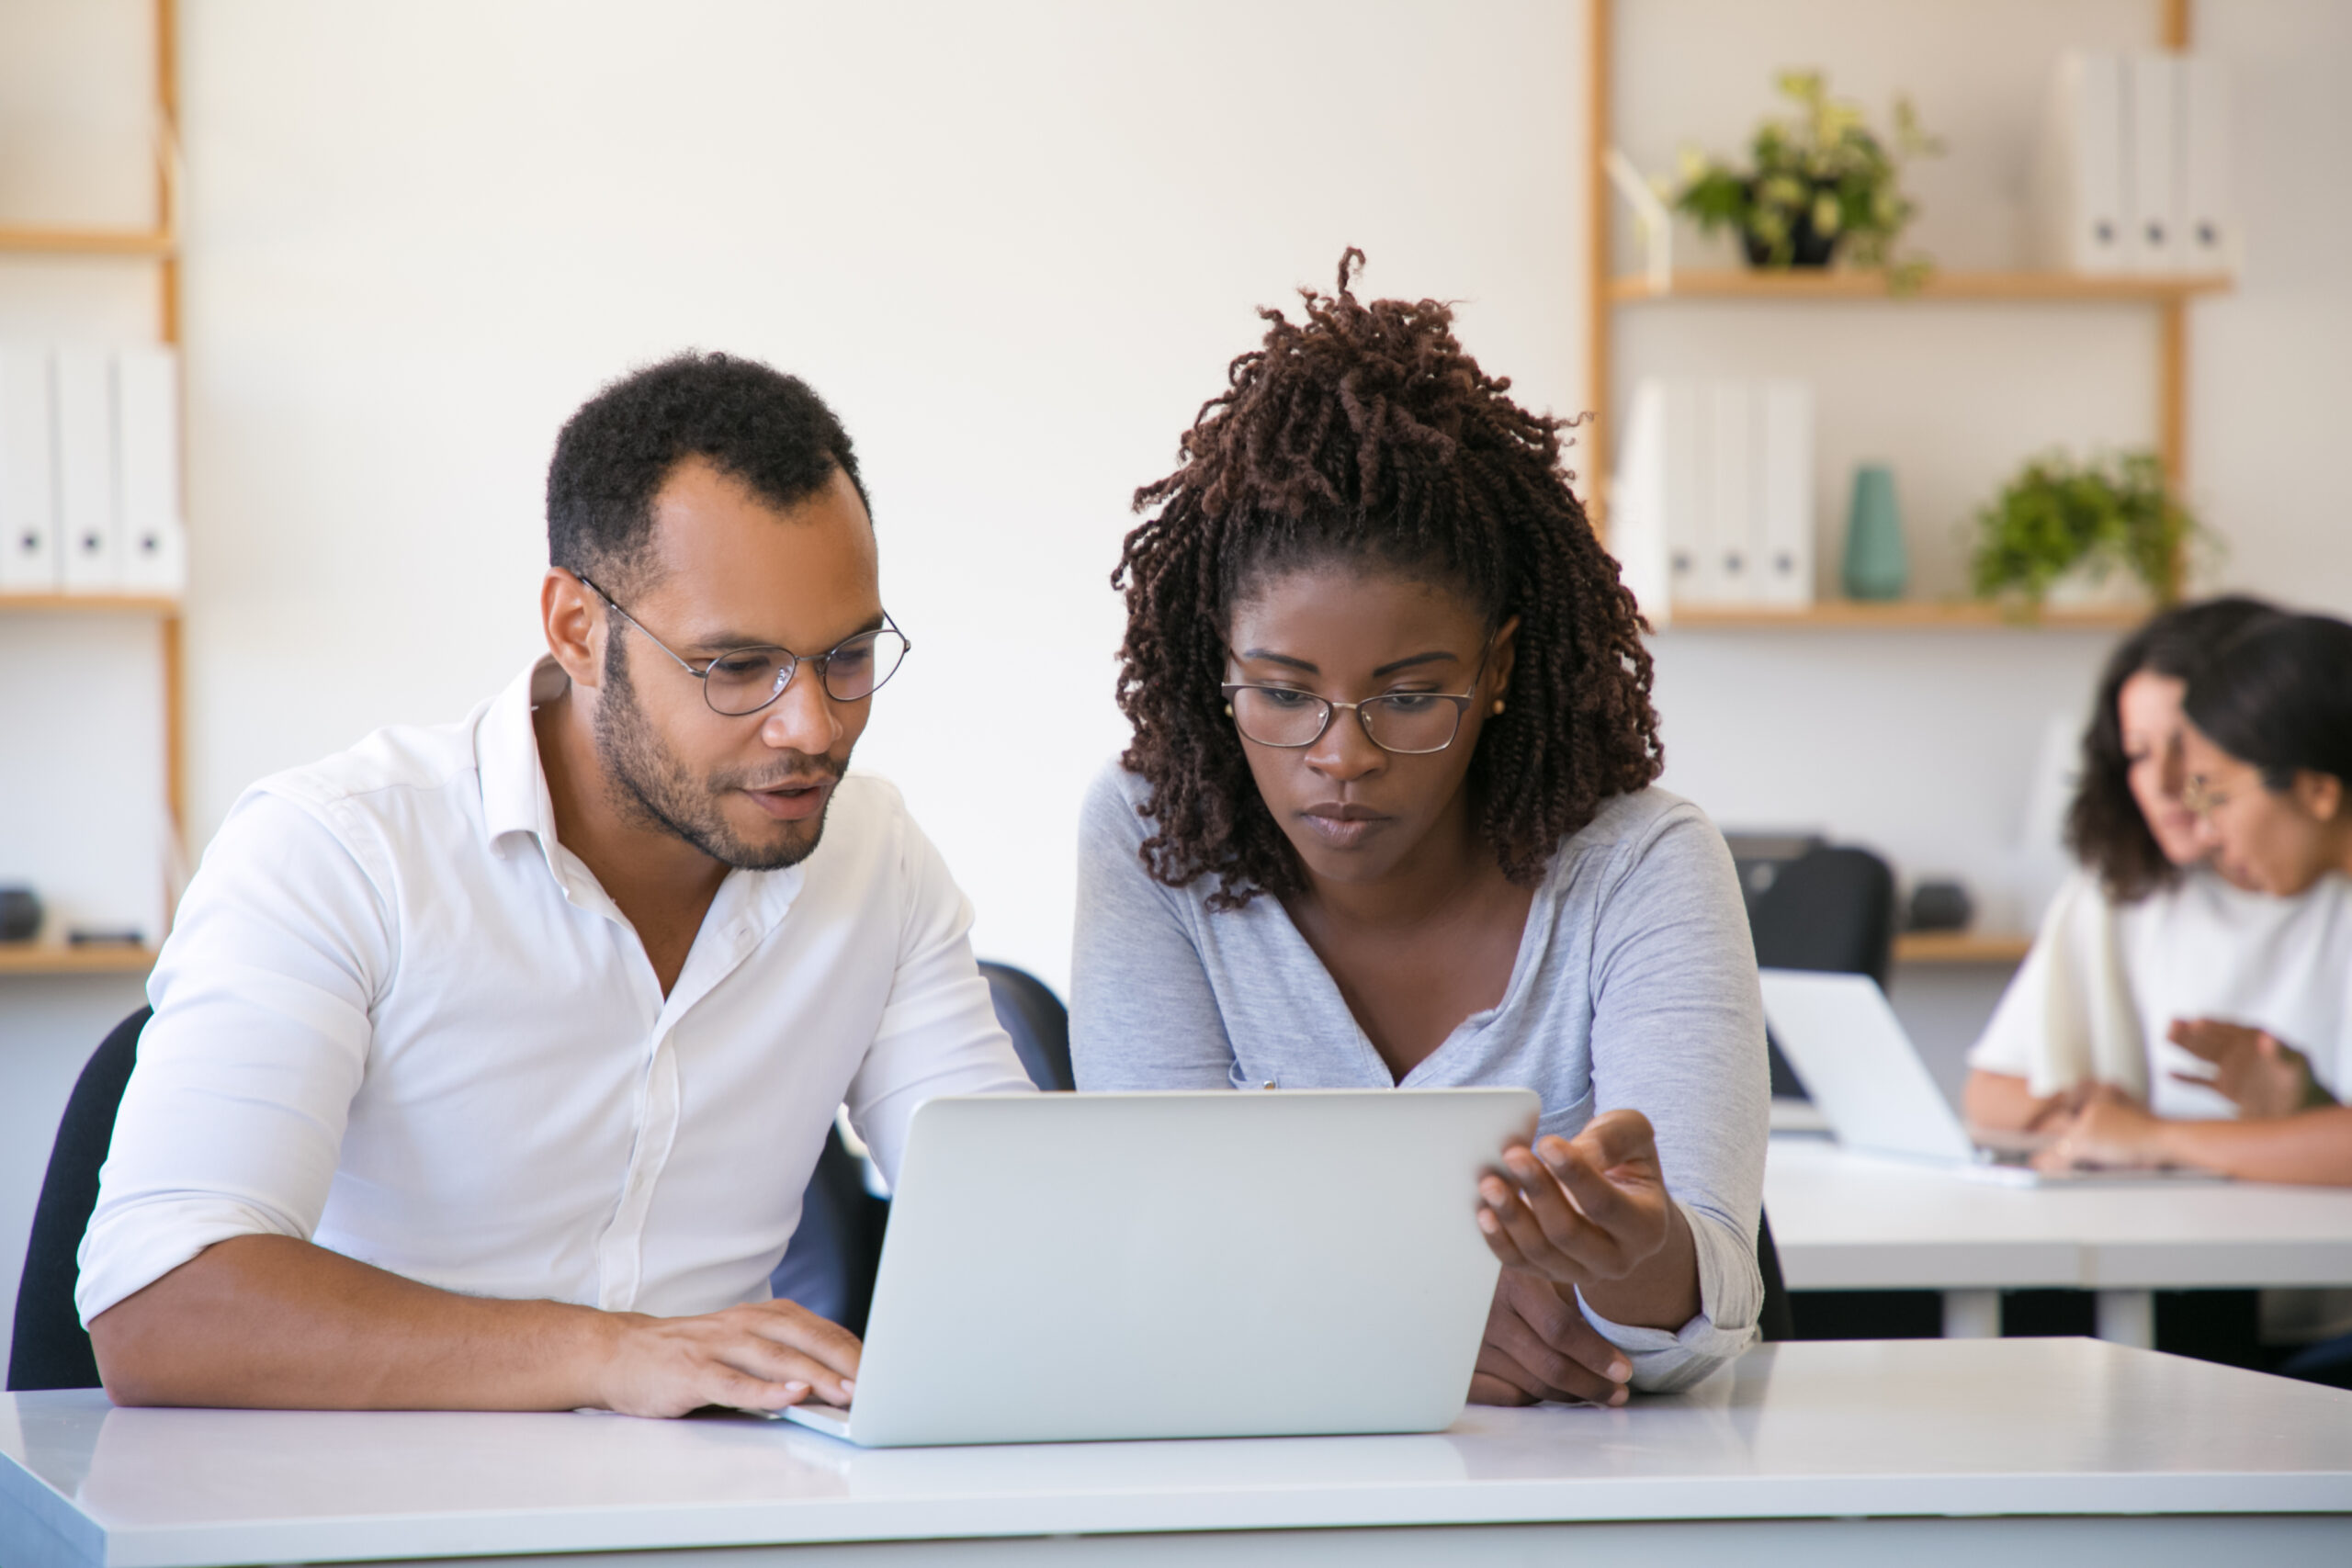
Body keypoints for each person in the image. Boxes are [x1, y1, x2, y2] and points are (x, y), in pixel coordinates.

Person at [78, 353, 1035, 1415]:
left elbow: (1015, 1234)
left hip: (724, 1515)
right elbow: (162, 1308)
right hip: (374, 1510)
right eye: (735, 668)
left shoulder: (877, 861)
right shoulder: (340, 851)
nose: (811, 726)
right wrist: (609, 1353)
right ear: (580, 631)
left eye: (846, 657)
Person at [1070, 254, 1767, 1404]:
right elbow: (1154, 1261)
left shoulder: (1642, 866)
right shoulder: (1152, 836)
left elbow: (1698, 1313)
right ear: (1217, 667)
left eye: (1406, 697)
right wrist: (1417, 1310)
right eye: (1283, 693)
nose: (1341, 756)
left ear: (1494, 669)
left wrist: (1637, 1262)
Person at [1963, 597, 2352, 1134]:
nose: (2171, 787)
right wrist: (2085, 1120)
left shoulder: (2324, 876)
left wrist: (2156, 1140)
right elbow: (1991, 1088)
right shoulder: (2121, 890)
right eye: (2139, 754)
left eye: (2201, 767)